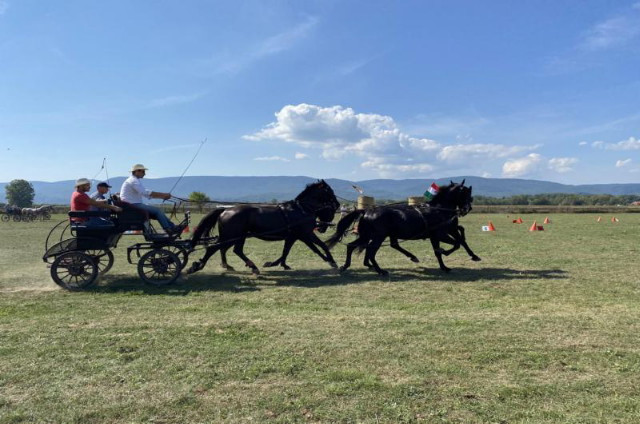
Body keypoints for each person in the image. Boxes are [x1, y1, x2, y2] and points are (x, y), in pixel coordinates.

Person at [119, 164, 183, 234]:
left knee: (157, 211)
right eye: (143, 172)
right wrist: (163, 195)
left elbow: (146, 194)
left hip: (132, 204)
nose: (144, 174)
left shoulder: (134, 180)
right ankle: (169, 229)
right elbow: (144, 192)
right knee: (157, 211)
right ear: (137, 171)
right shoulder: (133, 180)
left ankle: (171, 227)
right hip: (132, 205)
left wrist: (162, 196)